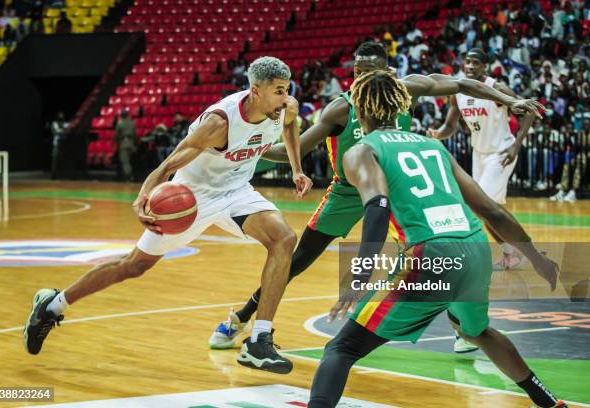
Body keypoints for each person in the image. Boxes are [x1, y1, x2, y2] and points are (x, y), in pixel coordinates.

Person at [207, 42, 544, 355]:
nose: (362, 79)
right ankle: (241, 318)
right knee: (296, 261)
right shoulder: (341, 107)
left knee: (434, 253)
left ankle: (460, 326)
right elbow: (296, 148)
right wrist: (245, 148)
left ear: (388, 73)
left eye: (370, 73)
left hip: (394, 189)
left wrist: (511, 101)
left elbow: (460, 84)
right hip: (347, 192)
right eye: (357, 72)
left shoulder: (406, 89)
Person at [22, 56, 313, 374]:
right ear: (256, 91)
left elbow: (289, 128)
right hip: (191, 196)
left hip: (236, 192)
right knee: (131, 267)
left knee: (284, 239)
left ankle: (259, 341)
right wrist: (146, 192)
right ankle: (52, 305)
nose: (285, 98)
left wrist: (297, 169)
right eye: (278, 91)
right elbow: (171, 162)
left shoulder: (286, 108)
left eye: (287, 90)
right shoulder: (220, 122)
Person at [307, 68, 566, 408]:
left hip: (430, 254)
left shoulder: (361, 151)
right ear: (400, 105)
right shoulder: (434, 147)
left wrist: (359, 276)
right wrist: (538, 259)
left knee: (341, 348)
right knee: (477, 331)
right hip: (474, 249)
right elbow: (494, 212)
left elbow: (378, 207)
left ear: (360, 109)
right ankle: (549, 403)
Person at [429, 48, 536, 274]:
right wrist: (438, 133)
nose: (470, 66)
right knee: (484, 208)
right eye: (467, 62)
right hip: (479, 155)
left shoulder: (497, 88)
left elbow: (530, 112)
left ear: (485, 67)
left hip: (501, 152)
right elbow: (450, 126)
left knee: (481, 205)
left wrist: (516, 145)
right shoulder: (458, 92)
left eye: (475, 63)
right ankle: (511, 253)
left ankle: (519, 249)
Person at [114, 109, 137, 182]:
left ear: (121, 116)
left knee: (125, 162)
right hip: (131, 143)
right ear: (127, 115)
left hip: (123, 143)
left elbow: (116, 135)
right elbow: (135, 135)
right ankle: (130, 176)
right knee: (129, 161)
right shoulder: (132, 123)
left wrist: (115, 142)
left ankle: (129, 177)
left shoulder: (120, 123)